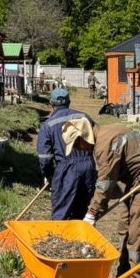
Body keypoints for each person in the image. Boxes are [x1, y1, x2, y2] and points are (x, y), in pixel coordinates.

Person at [66, 120, 140, 278]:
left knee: (139, 233)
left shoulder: (103, 144)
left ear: (85, 138)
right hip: (136, 181)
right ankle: (124, 277)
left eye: (77, 144)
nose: (79, 149)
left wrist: (92, 213)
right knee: (125, 227)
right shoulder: (106, 132)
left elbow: (106, 184)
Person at [37, 88, 97, 220]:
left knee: (61, 213)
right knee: (81, 211)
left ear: (51, 104)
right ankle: (79, 239)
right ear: (69, 102)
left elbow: (45, 158)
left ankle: (61, 238)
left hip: (66, 170)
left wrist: (49, 175)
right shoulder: (85, 117)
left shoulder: (48, 125)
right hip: (88, 167)